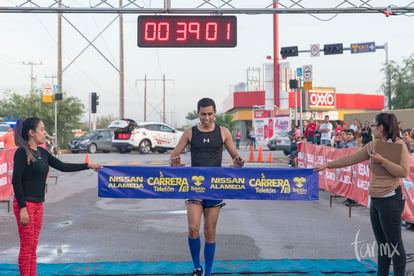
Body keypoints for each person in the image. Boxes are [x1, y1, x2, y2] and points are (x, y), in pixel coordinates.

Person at [314, 113, 409, 276]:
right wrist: (328, 165)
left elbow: (403, 171)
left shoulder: (399, 144)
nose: (371, 128)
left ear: (380, 128)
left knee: (394, 244)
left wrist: (382, 161)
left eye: (373, 125)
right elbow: (352, 158)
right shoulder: (374, 145)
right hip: (376, 200)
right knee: (382, 245)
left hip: (391, 200)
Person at [12, 117, 102, 276]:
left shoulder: (42, 153)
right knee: (27, 247)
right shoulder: (21, 152)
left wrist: (88, 165)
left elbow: (62, 166)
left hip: (38, 205)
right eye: (41, 129)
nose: (44, 132)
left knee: (33, 246)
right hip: (25, 204)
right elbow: (16, 181)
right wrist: (23, 208)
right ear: (31, 133)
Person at [169, 98, 244, 276]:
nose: (207, 117)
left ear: (215, 113)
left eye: (210, 114)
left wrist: (238, 162)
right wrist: (175, 163)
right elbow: (173, 157)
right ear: (198, 113)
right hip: (194, 187)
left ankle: (208, 272)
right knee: (193, 228)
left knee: (210, 231)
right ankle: (197, 267)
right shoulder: (190, 133)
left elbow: (235, 157)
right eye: (203, 114)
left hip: (215, 188)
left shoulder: (223, 132)